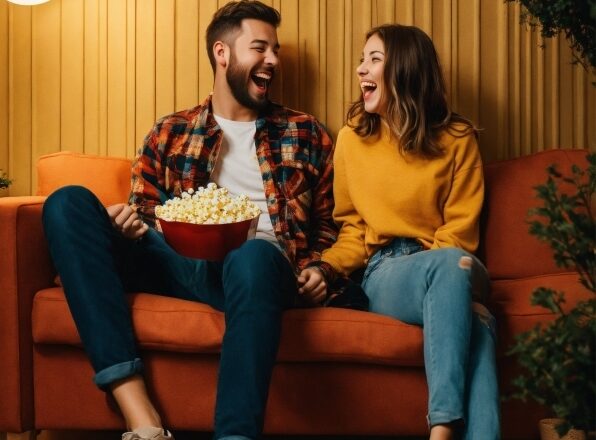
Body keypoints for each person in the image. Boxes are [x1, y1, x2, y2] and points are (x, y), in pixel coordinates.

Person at [41, 2, 337, 439]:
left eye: (275, 49)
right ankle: (141, 417)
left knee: (252, 255)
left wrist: (319, 268)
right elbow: (143, 209)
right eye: (261, 48)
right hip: (177, 264)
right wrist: (125, 223)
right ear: (222, 53)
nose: (273, 60)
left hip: (260, 270)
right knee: (65, 203)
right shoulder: (170, 131)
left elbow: (330, 226)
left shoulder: (305, 132)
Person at [302, 24, 500, 440]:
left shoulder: (458, 138)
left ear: (406, 70)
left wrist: (442, 275)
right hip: (387, 272)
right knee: (478, 323)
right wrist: (326, 268)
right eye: (362, 58)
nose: (360, 69)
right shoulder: (352, 141)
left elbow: (461, 234)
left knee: (451, 266)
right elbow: (353, 229)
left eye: (374, 59)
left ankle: (441, 428)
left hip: (455, 264)